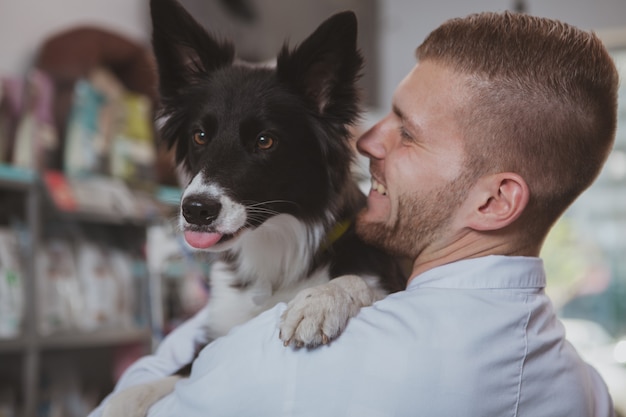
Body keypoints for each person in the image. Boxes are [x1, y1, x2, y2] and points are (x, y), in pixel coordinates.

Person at [89, 10, 619, 417]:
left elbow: (149, 398)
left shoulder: (295, 364)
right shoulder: (583, 386)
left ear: (495, 200)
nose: (366, 141)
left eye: (407, 133)